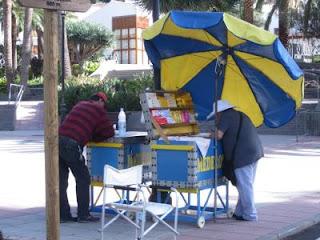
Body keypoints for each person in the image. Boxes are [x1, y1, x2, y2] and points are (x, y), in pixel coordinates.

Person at [59, 92, 115, 223]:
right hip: (72, 144)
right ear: (100, 100)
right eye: (104, 104)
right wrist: (94, 137)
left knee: (61, 181)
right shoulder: (99, 110)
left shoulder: (80, 105)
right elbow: (109, 132)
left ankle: (63, 215)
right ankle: (83, 215)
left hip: (57, 141)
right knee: (83, 179)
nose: (104, 107)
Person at [212, 100, 264, 221]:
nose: (216, 117)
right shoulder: (240, 114)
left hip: (242, 155)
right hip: (254, 152)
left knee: (244, 185)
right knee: (245, 184)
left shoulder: (226, 116)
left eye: (216, 115)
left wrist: (210, 134)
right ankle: (240, 212)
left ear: (219, 112)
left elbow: (219, 135)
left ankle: (250, 214)